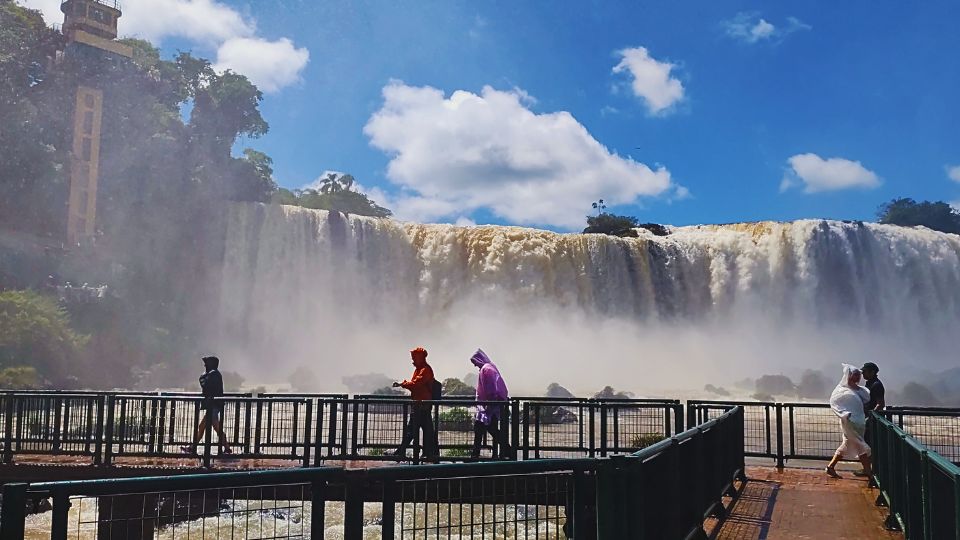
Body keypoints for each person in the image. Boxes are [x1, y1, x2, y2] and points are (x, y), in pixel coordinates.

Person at [390, 347, 439, 461]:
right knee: (425, 431)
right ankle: (430, 454)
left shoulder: (424, 370)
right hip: (420, 405)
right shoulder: (420, 369)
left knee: (412, 431)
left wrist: (402, 384)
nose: (412, 360)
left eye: (414, 357)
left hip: (421, 406)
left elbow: (416, 384)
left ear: (419, 357)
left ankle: (401, 453)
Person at [825, 364, 871, 478]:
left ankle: (830, 467)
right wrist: (844, 414)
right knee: (860, 445)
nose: (858, 377)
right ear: (848, 375)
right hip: (849, 421)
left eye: (858, 375)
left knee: (847, 444)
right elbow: (834, 403)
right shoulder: (841, 390)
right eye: (855, 375)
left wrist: (857, 388)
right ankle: (870, 474)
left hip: (858, 422)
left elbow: (866, 398)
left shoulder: (857, 389)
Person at [468, 349, 513, 460]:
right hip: (490, 405)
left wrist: (489, 403)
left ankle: (476, 455)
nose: (475, 365)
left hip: (487, 406)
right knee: (488, 429)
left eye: (475, 362)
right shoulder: (490, 367)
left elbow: (491, 388)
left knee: (483, 429)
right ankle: (506, 451)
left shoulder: (486, 370)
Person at [182, 356, 232, 455]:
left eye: (207, 363)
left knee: (213, 427)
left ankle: (226, 448)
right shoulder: (214, 374)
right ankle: (226, 448)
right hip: (213, 405)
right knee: (206, 427)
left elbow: (206, 385)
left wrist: (202, 378)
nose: (205, 365)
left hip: (213, 405)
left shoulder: (214, 374)